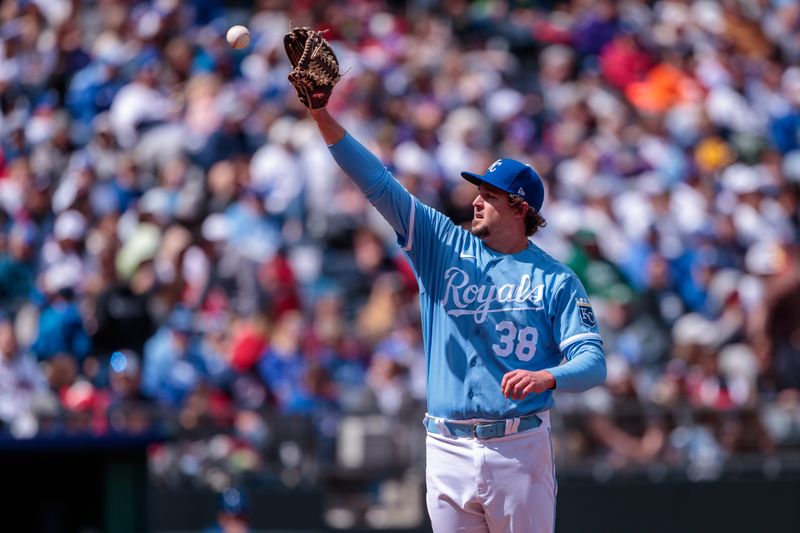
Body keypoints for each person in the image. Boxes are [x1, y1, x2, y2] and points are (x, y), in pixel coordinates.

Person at [289, 33, 606, 533]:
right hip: (446, 444)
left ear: (520, 208)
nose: (476, 200)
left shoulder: (555, 279)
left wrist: (549, 378)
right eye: (478, 190)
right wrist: (322, 117)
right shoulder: (442, 244)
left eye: (490, 195)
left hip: (518, 447)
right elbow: (377, 183)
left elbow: (592, 362)